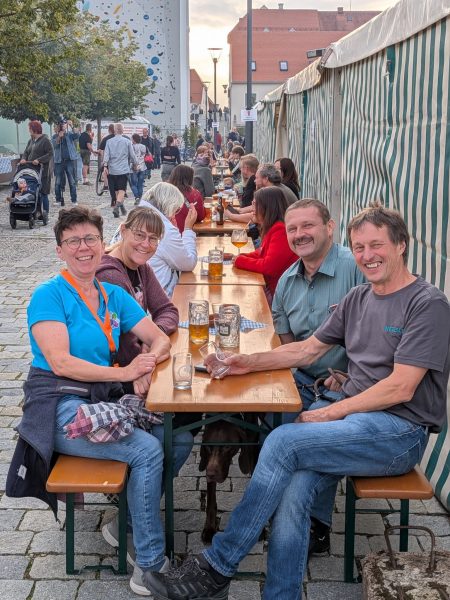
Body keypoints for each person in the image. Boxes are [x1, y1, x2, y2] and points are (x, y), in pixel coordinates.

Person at [143, 202, 450, 600]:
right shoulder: (359, 297)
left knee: (283, 441)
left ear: (401, 245)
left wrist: (328, 413)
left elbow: (401, 388)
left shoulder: (427, 303)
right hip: (354, 420)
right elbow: (305, 350)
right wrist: (244, 362)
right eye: (359, 247)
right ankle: (281, 594)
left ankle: (218, 565)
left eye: (377, 245)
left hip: (398, 432)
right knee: (293, 487)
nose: (367, 256)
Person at [6, 206, 194, 597]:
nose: (84, 247)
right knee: (146, 450)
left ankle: (126, 524)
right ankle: (150, 567)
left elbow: (159, 337)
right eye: (73, 241)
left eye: (90, 238)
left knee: (178, 438)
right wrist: (126, 373)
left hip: (101, 398)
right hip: (59, 407)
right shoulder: (48, 296)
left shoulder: (112, 295)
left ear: (101, 241)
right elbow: (61, 362)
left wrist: (146, 362)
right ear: (60, 250)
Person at [271, 198, 366, 552]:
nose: (299, 234)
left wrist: (351, 374)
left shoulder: (355, 268)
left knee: (314, 436)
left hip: (353, 382)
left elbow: (382, 332)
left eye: (308, 226)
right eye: (292, 229)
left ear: (330, 227)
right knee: (268, 420)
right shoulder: (286, 282)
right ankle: (281, 504)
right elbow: (288, 344)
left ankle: (316, 524)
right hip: (302, 379)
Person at [97, 207, 179, 393]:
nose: (146, 244)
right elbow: (123, 344)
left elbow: (167, 310)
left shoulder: (141, 267)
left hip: (140, 363)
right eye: (139, 235)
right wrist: (151, 345)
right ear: (123, 231)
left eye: (153, 238)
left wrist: (153, 337)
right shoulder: (110, 276)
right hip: (118, 380)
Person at [233, 187, 297, 303]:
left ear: (267, 207)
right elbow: (262, 252)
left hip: (281, 296)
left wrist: (240, 261)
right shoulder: (274, 227)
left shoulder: (280, 230)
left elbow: (269, 267)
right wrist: (241, 256)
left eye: (255, 204)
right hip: (274, 289)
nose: (252, 208)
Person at [138, 182, 197, 297]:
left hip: (140, 291)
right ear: (170, 206)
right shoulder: (163, 228)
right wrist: (188, 229)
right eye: (176, 210)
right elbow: (188, 263)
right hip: (160, 297)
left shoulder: (135, 217)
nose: (174, 215)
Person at [103, 123, 139, 218]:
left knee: (116, 190)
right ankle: (116, 208)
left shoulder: (109, 141)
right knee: (122, 190)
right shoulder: (127, 141)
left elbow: (106, 155)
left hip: (112, 170)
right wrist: (136, 163)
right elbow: (132, 155)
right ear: (123, 131)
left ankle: (121, 208)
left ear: (114, 130)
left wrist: (105, 166)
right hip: (123, 170)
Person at [21, 120, 53, 217]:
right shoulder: (31, 140)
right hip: (31, 170)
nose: (29, 130)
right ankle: (35, 212)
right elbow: (26, 152)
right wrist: (23, 159)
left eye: (30, 128)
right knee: (32, 191)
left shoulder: (45, 140)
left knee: (43, 192)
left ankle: (45, 213)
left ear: (34, 129)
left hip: (43, 171)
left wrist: (39, 160)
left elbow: (50, 154)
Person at [168, 164, 205, 233]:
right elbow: (201, 216)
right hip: (186, 232)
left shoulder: (165, 192)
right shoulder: (194, 194)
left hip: (167, 234)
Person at [51, 119, 79, 205]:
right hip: (59, 161)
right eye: (60, 125)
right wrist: (59, 137)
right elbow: (54, 145)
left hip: (69, 161)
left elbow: (77, 135)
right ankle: (58, 200)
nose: (62, 126)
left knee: (72, 181)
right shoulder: (54, 136)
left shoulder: (69, 134)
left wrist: (72, 126)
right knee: (58, 182)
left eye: (63, 124)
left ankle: (74, 200)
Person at [130, 133, 147, 205]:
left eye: (132, 139)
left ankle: (137, 197)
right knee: (140, 184)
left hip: (134, 167)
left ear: (134, 139)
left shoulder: (132, 147)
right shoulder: (143, 146)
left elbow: (131, 157)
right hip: (142, 166)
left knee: (133, 184)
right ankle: (140, 197)